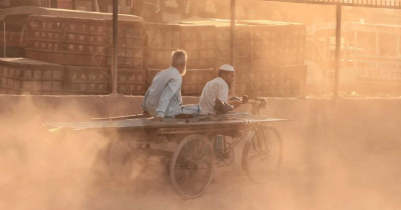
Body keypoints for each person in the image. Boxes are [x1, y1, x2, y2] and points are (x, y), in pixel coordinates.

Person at [142, 49, 200, 122]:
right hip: (166, 112)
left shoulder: (160, 73)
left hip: (152, 111)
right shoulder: (177, 76)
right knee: (198, 108)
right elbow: (165, 96)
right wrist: (160, 115)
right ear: (184, 64)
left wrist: (145, 109)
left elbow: (149, 91)